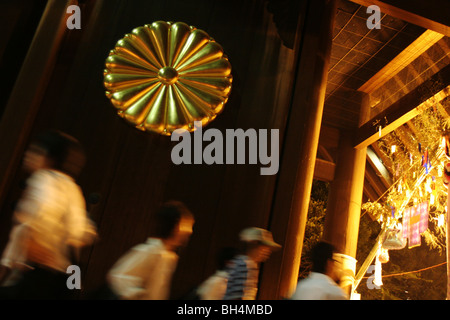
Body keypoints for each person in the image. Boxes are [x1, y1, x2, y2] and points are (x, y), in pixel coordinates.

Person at [0, 130, 96, 299]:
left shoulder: (43, 178)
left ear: (49, 158)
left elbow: (44, 208)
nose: (28, 155)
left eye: (35, 151)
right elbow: (80, 232)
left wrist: (33, 242)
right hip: (58, 277)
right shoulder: (72, 187)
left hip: (34, 272)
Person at [107, 200, 194, 300]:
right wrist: (139, 295)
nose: (190, 231)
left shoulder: (167, 256)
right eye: (187, 225)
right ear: (176, 226)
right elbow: (119, 277)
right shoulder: (150, 251)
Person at [223, 227, 281, 300]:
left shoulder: (248, 264)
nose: (268, 250)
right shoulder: (242, 264)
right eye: (264, 246)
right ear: (253, 243)